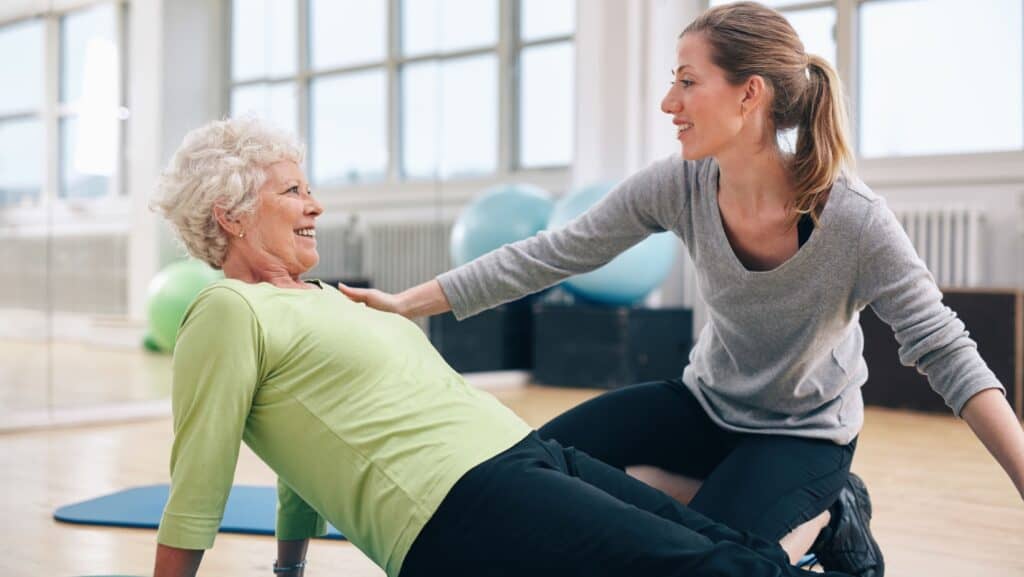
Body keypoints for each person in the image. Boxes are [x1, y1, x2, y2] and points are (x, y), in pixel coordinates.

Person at [338, 3, 1024, 576]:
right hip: (703, 405)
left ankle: (833, 514)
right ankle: (686, 489)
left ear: (749, 93)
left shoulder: (854, 219)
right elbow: (555, 252)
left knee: (699, 558)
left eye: (688, 82)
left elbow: (947, 351)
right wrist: (407, 303)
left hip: (802, 434)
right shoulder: (683, 183)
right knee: (529, 469)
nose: (670, 103)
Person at [149, 116, 857, 577]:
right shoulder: (226, 309)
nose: (317, 205)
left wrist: (289, 566)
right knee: (708, 571)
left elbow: (302, 441)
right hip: (456, 504)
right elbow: (199, 478)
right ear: (231, 214)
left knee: (714, 541)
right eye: (294, 191)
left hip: (523, 455)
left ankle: (830, 526)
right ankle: (825, 523)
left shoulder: (322, 299)